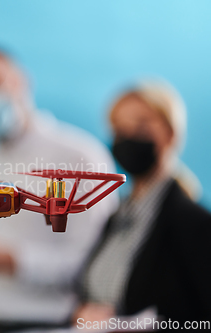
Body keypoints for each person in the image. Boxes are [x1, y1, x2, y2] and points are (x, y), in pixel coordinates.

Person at [0, 47, 120, 332]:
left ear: (20, 81)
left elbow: (95, 262)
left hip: (46, 323)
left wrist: (13, 261)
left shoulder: (79, 157)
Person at [75, 81, 211, 325]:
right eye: (119, 130)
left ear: (171, 133)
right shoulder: (116, 218)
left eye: (141, 125)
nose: (129, 137)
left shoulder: (195, 224)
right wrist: (82, 314)